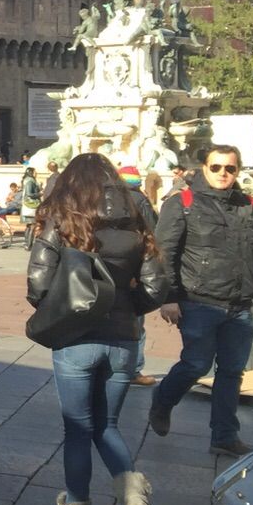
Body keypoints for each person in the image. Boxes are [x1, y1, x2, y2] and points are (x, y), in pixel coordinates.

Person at [26, 153, 169, 505]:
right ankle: (134, 496)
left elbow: (37, 281)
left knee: (77, 429)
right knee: (107, 425)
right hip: (123, 337)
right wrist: (124, 307)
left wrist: (61, 308)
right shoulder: (137, 210)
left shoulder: (63, 211)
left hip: (75, 338)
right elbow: (157, 286)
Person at [150, 144, 253, 457]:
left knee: (231, 372)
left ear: (238, 170)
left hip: (240, 304)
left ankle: (224, 436)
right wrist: (168, 297)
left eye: (230, 168)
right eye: (216, 167)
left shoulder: (249, 205)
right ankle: (163, 399)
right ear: (204, 168)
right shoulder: (183, 202)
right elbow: (164, 253)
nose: (223, 173)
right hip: (199, 301)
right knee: (196, 364)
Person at [117, 166, 159, 388]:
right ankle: (133, 369)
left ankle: (114, 366)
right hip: (135, 265)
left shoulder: (107, 198)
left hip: (113, 267)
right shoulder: (140, 200)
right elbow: (153, 231)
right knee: (136, 320)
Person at [20, 166, 42, 250]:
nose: (36, 173)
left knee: (29, 226)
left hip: (27, 205)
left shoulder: (26, 180)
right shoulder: (30, 181)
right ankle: (29, 244)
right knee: (32, 225)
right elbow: (29, 193)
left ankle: (27, 243)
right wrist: (40, 193)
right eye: (35, 172)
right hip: (31, 206)